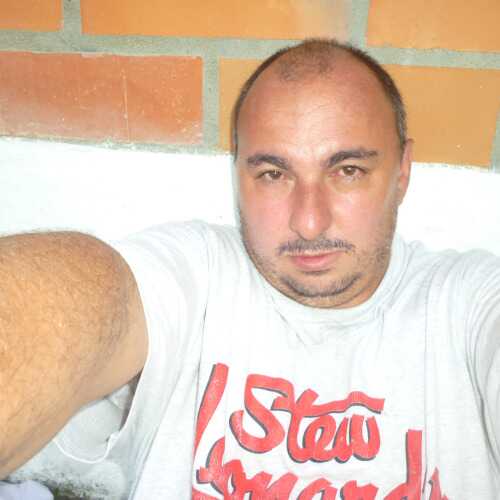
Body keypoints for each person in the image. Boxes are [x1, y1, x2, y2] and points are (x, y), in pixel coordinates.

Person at [2, 38, 500, 499]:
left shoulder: (468, 304)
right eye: (273, 174)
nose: (309, 222)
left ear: (403, 170)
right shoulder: (200, 277)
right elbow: (92, 295)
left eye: (347, 171)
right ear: (237, 172)